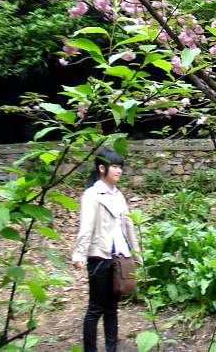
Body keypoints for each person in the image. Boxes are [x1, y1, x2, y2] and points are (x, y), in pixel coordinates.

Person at [72, 148, 140, 352]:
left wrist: (136, 254)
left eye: (120, 167)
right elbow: (86, 226)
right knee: (95, 308)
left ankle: (112, 348)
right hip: (99, 257)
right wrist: (79, 253)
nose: (119, 171)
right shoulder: (92, 194)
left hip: (119, 258)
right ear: (102, 168)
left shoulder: (119, 195)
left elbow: (128, 226)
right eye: (115, 167)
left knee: (112, 308)